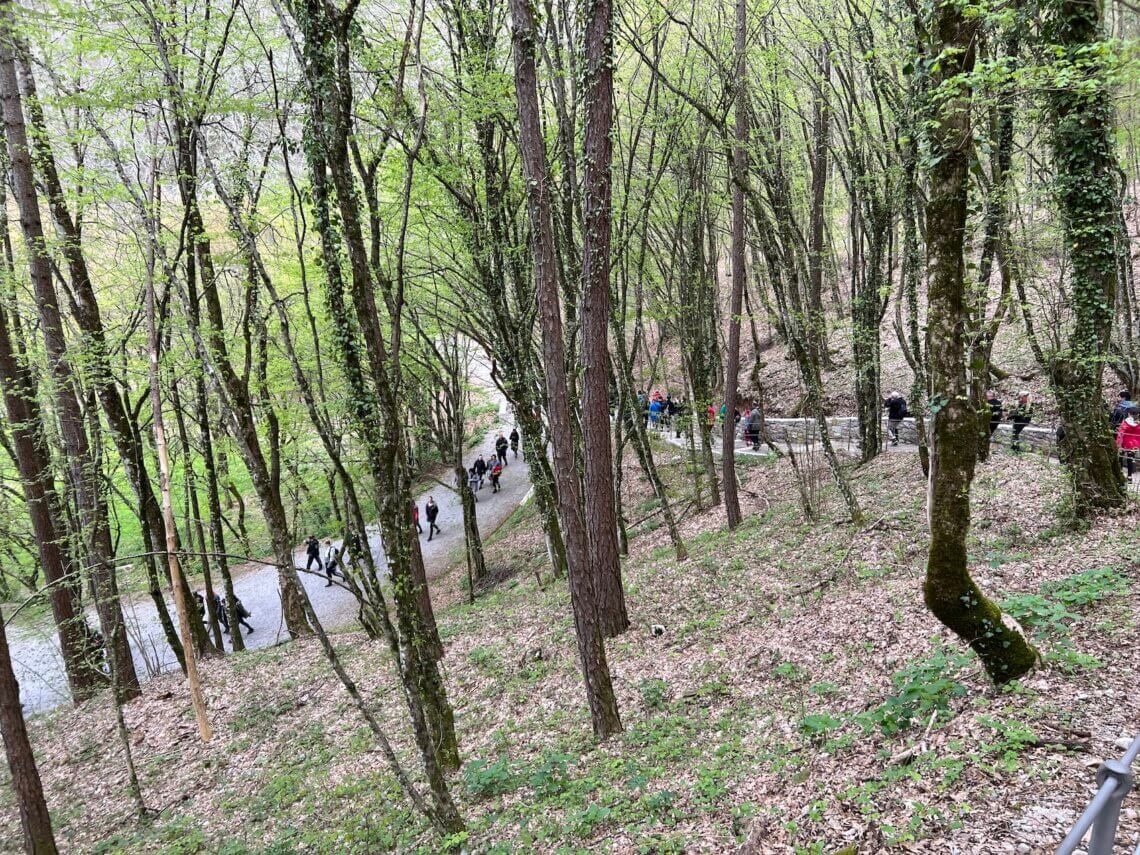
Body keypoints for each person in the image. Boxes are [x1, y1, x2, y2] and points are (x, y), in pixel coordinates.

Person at [1116, 406, 1140, 477]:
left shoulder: (1125, 422)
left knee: (1121, 457)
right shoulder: (1138, 423)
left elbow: (1121, 433)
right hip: (1134, 444)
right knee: (1130, 459)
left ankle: (1120, 473)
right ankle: (1129, 477)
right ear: (1138, 414)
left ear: (1129, 413)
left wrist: (1118, 443)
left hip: (1124, 443)